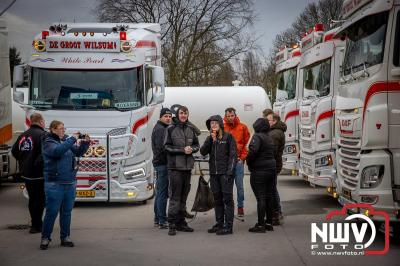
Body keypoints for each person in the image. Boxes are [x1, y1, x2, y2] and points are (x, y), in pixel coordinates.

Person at [40, 120, 90, 250]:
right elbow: (57, 152)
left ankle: (65, 237)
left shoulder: (65, 140)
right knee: (51, 212)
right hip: (55, 183)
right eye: (61, 128)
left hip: (70, 182)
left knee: (66, 212)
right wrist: (73, 138)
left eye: (64, 128)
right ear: (53, 130)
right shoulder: (48, 142)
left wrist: (85, 143)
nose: (63, 130)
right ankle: (45, 238)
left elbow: (78, 152)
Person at [164, 106, 199, 236]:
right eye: (181, 113)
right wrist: (181, 150)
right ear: (177, 115)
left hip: (187, 167)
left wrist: (192, 149)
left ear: (187, 114)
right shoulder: (171, 128)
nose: (183, 115)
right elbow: (166, 147)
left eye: (185, 113)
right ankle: (172, 224)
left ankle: (181, 222)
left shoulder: (190, 129)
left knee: (184, 196)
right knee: (175, 196)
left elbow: (197, 145)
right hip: (175, 168)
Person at [200, 115, 237, 235]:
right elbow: (203, 151)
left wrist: (229, 172)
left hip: (225, 174)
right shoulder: (210, 138)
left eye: (215, 123)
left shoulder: (228, 137)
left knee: (227, 200)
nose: (213, 125)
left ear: (220, 124)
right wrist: (211, 139)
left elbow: (233, 156)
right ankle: (219, 223)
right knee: (217, 200)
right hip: (214, 174)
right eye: (211, 123)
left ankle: (228, 226)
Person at [11, 113, 47, 234]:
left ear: (31, 121)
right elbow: (45, 153)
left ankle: (34, 224)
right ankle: (38, 225)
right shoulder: (42, 134)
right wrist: (39, 165)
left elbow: (14, 150)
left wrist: (23, 161)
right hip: (38, 173)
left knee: (32, 199)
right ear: (41, 121)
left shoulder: (23, 135)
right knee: (40, 199)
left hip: (26, 173)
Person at [246, 118, 277, 233]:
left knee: (261, 198)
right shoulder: (269, 137)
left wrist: (248, 161)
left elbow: (253, 151)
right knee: (269, 197)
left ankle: (260, 225)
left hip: (259, 170)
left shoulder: (257, 136)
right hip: (271, 169)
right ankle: (268, 223)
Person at [223, 107, 250, 217]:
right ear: (225, 116)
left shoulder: (242, 127)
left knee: (239, 186)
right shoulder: (222, 127)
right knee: (226, 186)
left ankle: (240, 206)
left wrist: (242, 158)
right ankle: (229, 207)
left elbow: (247, 145)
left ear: (235, 115)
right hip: (226, 163)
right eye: (228, 116)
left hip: (238, 162)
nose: (230, 118)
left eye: (232, 115)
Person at [264, 109, 287, 225]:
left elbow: (271, 151)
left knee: (272, 190)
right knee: (272, 189)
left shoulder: (274, 133)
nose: (266, 122)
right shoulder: (274, 131)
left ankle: (276, 214)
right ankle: (276, 213)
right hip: (274, 164)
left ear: (274, 121)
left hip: (272, 165)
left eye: (268, 120)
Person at [152, 107, 172, 229]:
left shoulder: (161, 127)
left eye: (170, 116)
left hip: (160, 163)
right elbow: (162, 148)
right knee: (163, 194)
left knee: (160, 192)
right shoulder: (161, 129)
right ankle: (162, 220)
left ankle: (157, 218)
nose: (168, 118)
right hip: (162, 164)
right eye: (166, 116)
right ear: (161, 117)